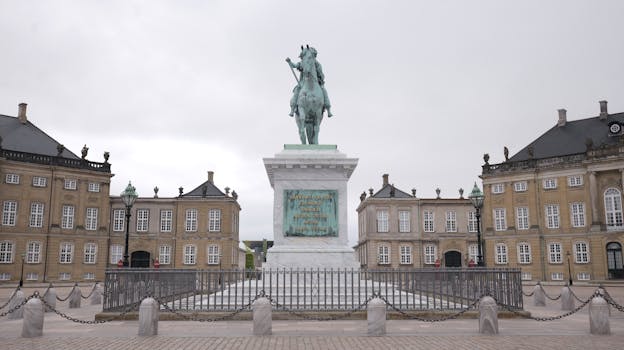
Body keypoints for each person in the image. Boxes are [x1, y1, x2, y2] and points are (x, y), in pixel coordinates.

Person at [286, 47, 333, 118]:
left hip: (317, 83)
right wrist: (289, 62)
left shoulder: (317, 64)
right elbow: (295, 65)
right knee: (297, 90)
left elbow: (321, 75)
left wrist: (321, 80)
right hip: (303, 82)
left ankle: (328, 108)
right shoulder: (303, 63)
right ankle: (293, 108)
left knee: (324, 90)